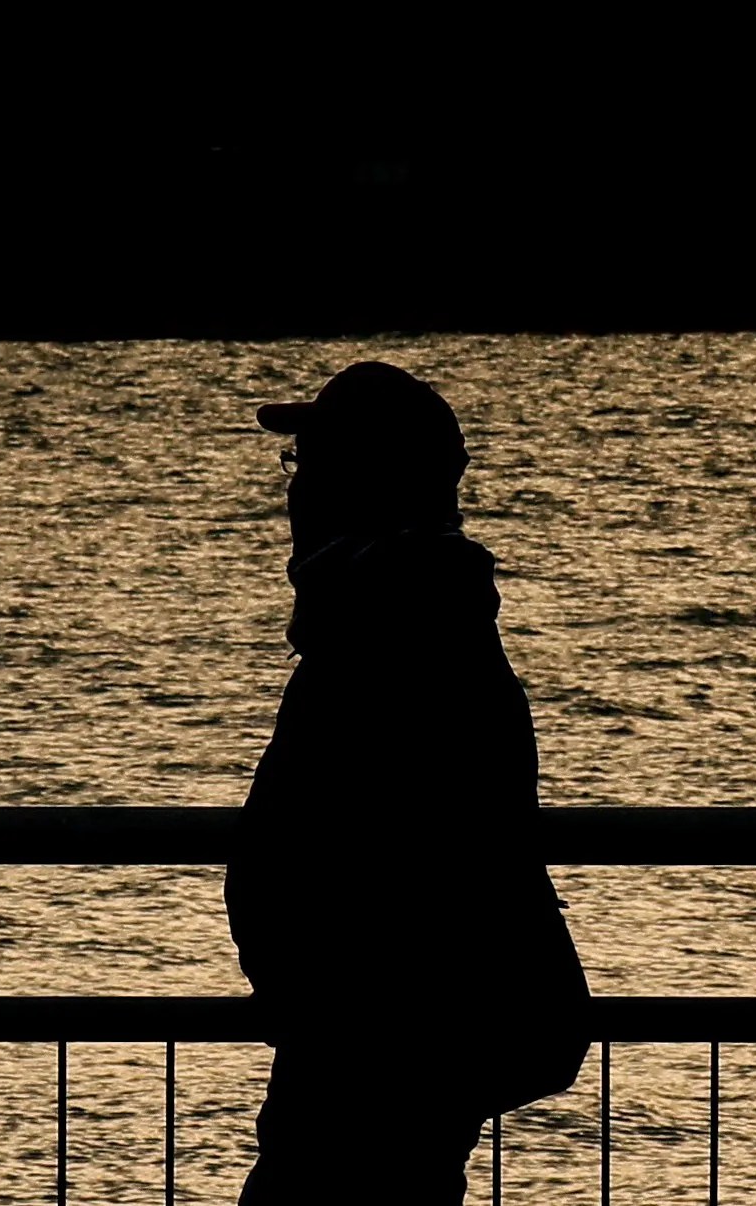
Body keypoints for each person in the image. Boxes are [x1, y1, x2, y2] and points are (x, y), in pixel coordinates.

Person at [230, 362, 591, 1206]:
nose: (294, 489)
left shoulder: (379, 630)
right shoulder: (423, 615)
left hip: (367, 1040)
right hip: (388, 1035)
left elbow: (361, 841)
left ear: (358, 482)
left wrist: (304, 986)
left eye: (310, 464)